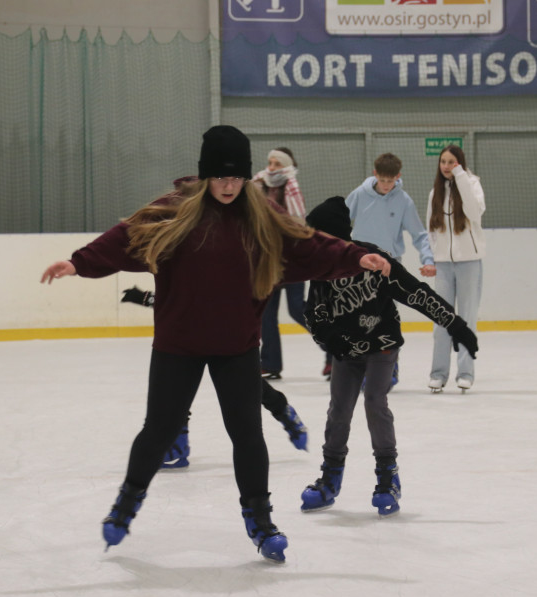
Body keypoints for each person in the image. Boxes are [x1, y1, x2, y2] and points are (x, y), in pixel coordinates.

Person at [40, 125, 390, 563]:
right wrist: (78, 263)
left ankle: (260, 521)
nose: (229, 185)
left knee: (247, 435)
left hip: (237, 347)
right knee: (158, 430)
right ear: (206, 174)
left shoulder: (261, 217)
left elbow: (309, 245)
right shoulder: (173, 213)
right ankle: (125, 505)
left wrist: (355, 256)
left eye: (236, 177)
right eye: (221, 176)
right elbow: (124, 237)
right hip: (177, 346)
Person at [299, 197, 478, 517]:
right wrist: (330, 339)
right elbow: (314, 314)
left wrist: (456, 325)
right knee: (339, 409)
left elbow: (415, 293)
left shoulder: (373, 259)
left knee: (374, 403)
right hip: (348, 351)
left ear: (336, 237)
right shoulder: (321, 269)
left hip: (381, 345)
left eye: (320, 237)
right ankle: (330, 479)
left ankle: (387, 478)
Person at [121, 285, 311, 467]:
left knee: (246, 384)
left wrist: (147, 298)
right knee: (175, 389)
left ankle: (283, 411)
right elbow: (179, 298)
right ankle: (178, 446)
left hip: (226, 335)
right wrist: (147, 298)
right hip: (187, 336)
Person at [346, 152, 436, 386]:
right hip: (362, 263)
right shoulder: (359, 195)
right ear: (375, 174)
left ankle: (390, 367)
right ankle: (364, 368)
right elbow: (339, 221)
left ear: (398, 177)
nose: (387, 185)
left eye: (391, 181)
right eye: (383, 180)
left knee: (385, 318)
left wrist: (428, 259)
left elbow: (419, 234)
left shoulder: (403, 201)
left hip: (389, 265)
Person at [425, 144, 486, 393]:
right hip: (443, 264)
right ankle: (438, 373)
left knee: (466, 319)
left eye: (452, 162)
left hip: (470, 262)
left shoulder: (472, 185)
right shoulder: (435, 193)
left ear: (460, 163)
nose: (447, 166)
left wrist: (461, 178)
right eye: (443, 162)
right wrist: (431, 259)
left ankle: (466, 373)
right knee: (441, 320)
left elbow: (474, 212)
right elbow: (431, 229)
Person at [251, 147, 309, 380]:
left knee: (297, 308)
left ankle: (334, 350)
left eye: (277, 164)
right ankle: (270, 363)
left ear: (286, 167)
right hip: (267, 258)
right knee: (267, 313)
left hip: (292, 257)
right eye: (270, 162)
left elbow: (298, 220)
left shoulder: (292, 187)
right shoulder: (258, 184)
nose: (271, 168)